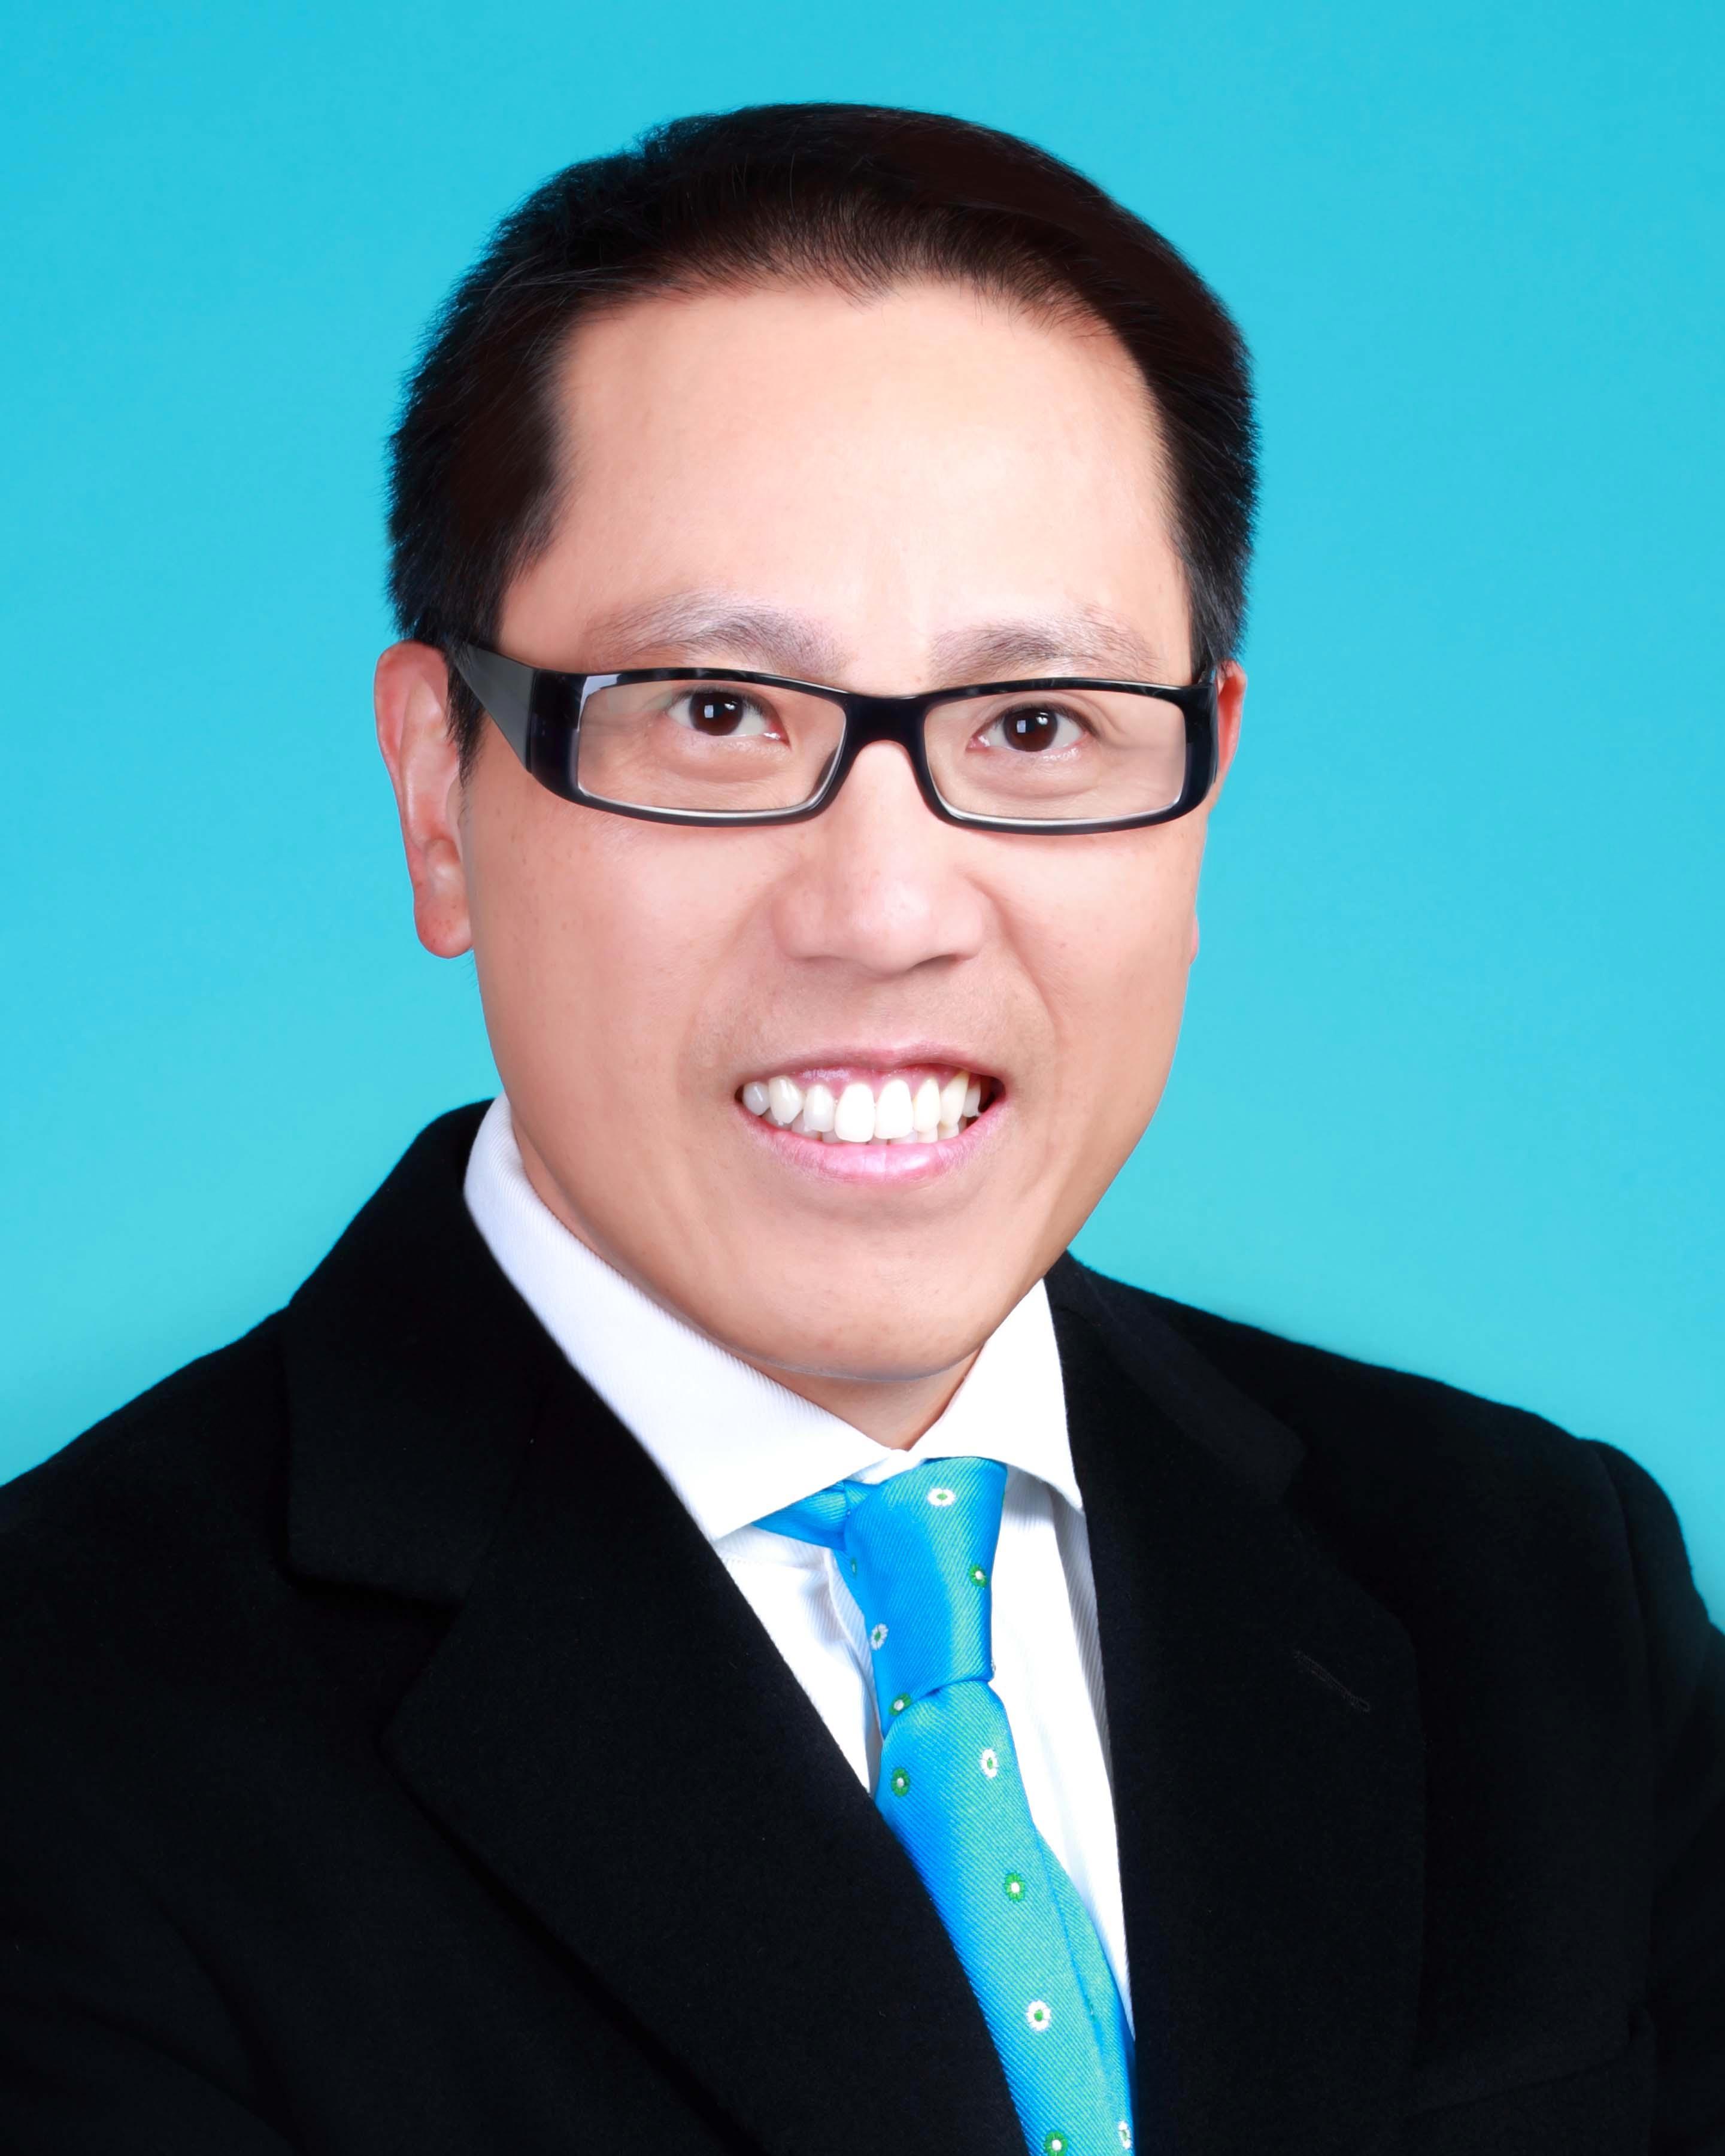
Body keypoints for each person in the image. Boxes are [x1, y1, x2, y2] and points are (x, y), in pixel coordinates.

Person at [0, 102, 1718, 2156]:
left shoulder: (1539, 1595)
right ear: (438, 789)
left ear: (1204, 786)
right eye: (715, 712)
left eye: (1035, 725)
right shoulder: (65, 1735)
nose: (889, 907)